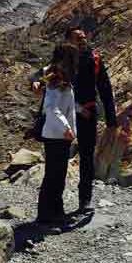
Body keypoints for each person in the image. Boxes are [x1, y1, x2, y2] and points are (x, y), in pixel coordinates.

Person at [66, 27, 117, 211]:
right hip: (65, 114)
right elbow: (48, 83)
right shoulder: (62, 60)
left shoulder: (94, 59)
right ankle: (54, 203)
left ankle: (84, 199)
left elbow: (105, 89)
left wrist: (111, 120)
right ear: (68, 40)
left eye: (83, 37)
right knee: (60, 156)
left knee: (87, 157)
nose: (82, 40)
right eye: (77, 37)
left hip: (88, 114)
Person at [36, 44, 81, 224]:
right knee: (53, 176)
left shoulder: (62, 80)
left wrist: (79, 110)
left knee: (58, 175)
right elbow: (52, 108)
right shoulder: (54, 80)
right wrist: (66, 128)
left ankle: (56, 212)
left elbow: (65, 106)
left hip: (60, 135)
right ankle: (45, 216)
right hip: (56, 135)